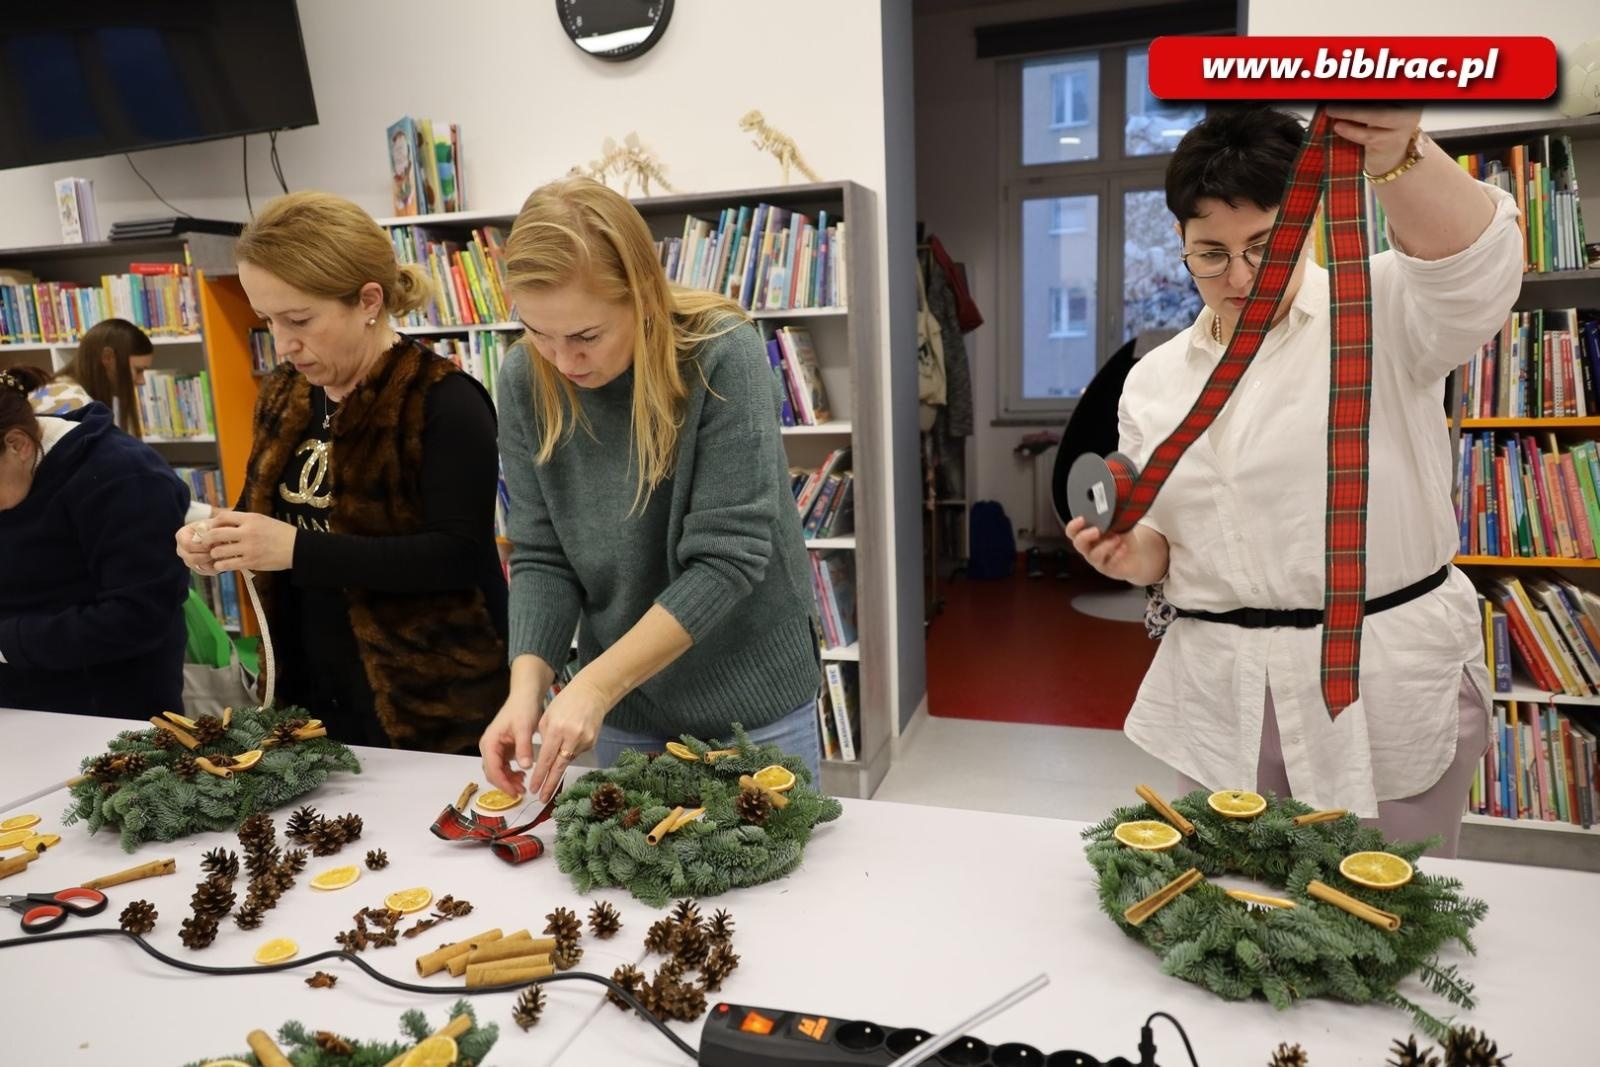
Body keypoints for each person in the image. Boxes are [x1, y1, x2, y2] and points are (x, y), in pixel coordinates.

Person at [1066, 106, 1523, 858]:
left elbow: (1478, 273)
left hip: (1378, 683)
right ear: (1180, 245)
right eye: (1210, 253)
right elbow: (1167, 538)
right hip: (1225, 694)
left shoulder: (1380, 306)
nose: (1240, 276)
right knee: (1237, 915)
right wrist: (1131, 556)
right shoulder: (1154, 381)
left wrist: (1398, 153)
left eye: (1264, 246)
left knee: (1387, 929)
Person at [478, 177, 823, 803]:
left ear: (642, 296)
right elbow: (540, 553)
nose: (562, 360)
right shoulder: (526, 377)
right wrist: (526, 687)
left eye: (585, 336)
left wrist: (594, 685)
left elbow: (726, 558)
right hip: (629, 705)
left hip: (754, 698)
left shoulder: (723, 354)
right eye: (537, 332)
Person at [174, 191, 508, 753]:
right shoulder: (283, 394)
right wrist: (222, 539)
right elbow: (274, 517)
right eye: (268, 320)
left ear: (368, 300)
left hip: (430, 707)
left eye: (300, 319)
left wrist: (295, 549)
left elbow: (458, 554)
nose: (283, 343)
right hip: (309, 695)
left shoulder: (443, 401)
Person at [0, 365, 190, 718]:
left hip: (107, 713)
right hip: (16, 708)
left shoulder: (126, 476)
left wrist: (8, 642)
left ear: (18, 445)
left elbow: (141, 615)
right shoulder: (14, 475)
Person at [30, 318, 154, 436]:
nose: (141, 381)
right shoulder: (74, 403)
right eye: (139, 370)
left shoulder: (65, 389)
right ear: (108, 357)